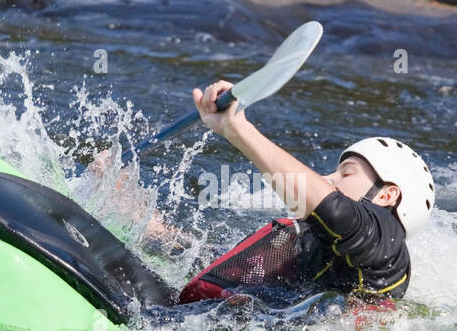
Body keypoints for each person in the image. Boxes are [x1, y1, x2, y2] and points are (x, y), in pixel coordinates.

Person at [175, 80, 435, 305]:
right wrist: (148, 224)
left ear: (386, 195)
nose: (326, 180)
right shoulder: (310, 246)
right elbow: (224, 263)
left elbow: (334, 211)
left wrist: (236, 127)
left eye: (346, 173)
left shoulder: (386, 244)